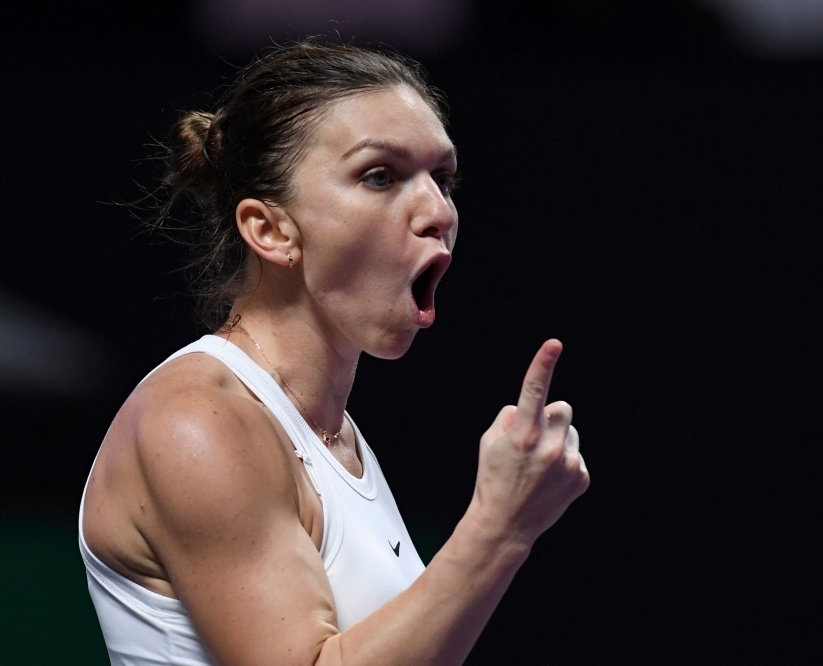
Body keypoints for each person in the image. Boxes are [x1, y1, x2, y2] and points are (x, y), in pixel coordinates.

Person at [79, 40, 589, 666]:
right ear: (270, 230)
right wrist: (498, 526)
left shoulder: (328, 433)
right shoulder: (197, 423)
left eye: (443, 178)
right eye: (380, 175)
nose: (437, 211)